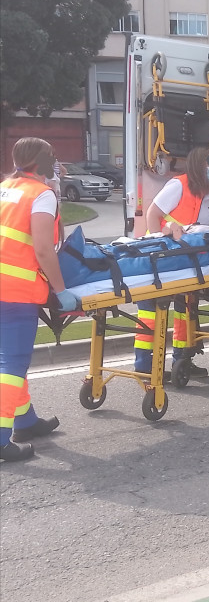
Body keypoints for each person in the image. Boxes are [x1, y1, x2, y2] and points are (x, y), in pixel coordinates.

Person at [1, 138, 79, 462]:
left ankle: (26, 421)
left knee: (10, 360)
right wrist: (61, 292)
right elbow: (44, 250)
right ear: (42, 162)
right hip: (16, 292)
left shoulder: (6, 187)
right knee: (12, 364)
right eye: (52, 158)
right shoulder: (42, 195)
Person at [133, 146, 209, 376]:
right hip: (161, 256)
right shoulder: (179, 185)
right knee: (150, 313)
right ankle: (144, 366)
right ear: (198, 166)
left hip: (189, 262)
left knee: (186, 312)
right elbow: (152, 215)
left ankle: (182, 361)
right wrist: (164, 235)